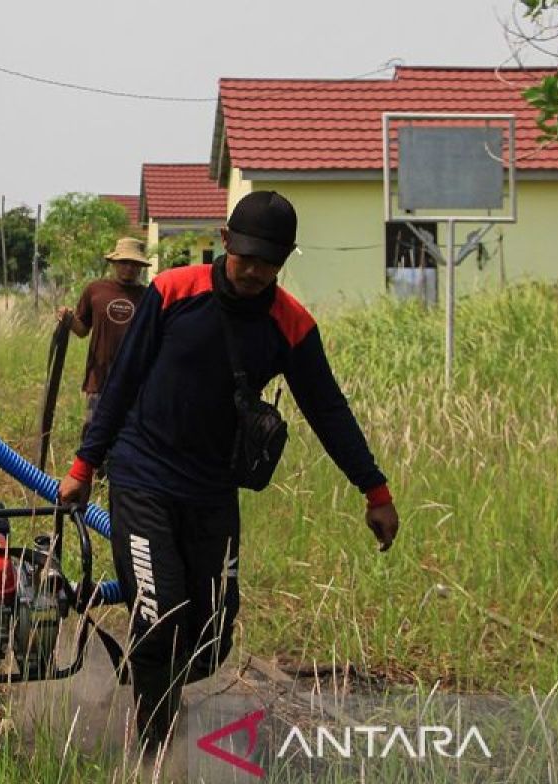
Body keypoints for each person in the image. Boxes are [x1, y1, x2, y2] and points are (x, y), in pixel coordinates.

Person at [58, 190, 399, 754]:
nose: (255, 271)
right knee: (159, 616)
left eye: (269, 263)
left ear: (286, 259)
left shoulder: (290, 324)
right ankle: (155, 756)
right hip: (142, 475)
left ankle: (147, 684)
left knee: (211, 635)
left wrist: (375, 490)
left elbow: (328, 409)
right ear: (224, 243)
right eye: (246, 258)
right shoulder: (173, 291)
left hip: (213, 491)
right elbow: (120, 382)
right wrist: (83, 464)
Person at [56, 237, 148, 430]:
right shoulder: (95, 290)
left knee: (128, 436)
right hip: (98, 378)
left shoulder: (147, 296)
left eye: (134, 264)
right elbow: (82, 330)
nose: (129, 268)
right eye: (124, 262)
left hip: (134, 380)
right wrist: (68, 319)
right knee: (93, 432)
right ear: (114, 263)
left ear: (141, 266)